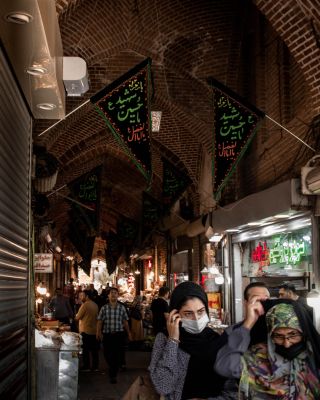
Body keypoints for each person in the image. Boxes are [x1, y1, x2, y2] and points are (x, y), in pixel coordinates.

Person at [214, 299, 320, 399]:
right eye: (278, 336)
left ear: (303, 332)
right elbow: (225, 367)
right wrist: (248, 324)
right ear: (270, 335)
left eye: (293, 335)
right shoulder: (257, 355)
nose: (286, 344)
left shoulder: (315, 356)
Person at [149, 281, 238, 400]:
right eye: (188, 313)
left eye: (201, 311)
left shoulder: (216, 340)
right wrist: (173, 340)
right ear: (175, 314)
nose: (196, 319)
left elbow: (232, 391)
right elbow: (163, 386)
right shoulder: (164, 339)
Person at [96, 287, 132, 384]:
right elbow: (100, 321)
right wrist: (98, 332)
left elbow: (125, 322)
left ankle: (113, 374)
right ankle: (112, 367)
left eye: (115, 293)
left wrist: (129, 333)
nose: (113, 294)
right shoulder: (104, 308)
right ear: (108, 295)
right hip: (107, 335)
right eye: (111, 293)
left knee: (117, 355)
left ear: (118, 295)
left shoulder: (122, 307)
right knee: (107, 354)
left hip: (118, 335)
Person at [75, 290, 99, 372]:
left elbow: (78, 317)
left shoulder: (85, 305)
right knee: (94, 350)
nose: (80, 297)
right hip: (94, 330)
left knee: (85, 350)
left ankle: (87, 366)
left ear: (87, 296)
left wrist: (75, 315)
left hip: (85, 330)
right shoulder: (95, 304)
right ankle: (95, 367)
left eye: (82, 296)